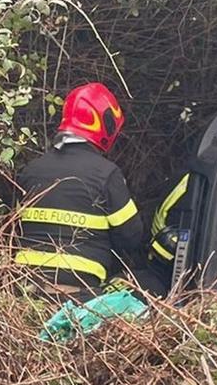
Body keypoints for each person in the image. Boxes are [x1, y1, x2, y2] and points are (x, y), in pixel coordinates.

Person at [12, 82, 147, 295]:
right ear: (105, 123)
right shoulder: (107, 174)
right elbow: (131, 237)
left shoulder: (31, 171)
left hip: (24, 289)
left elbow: (13, 228)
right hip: (80, 292)